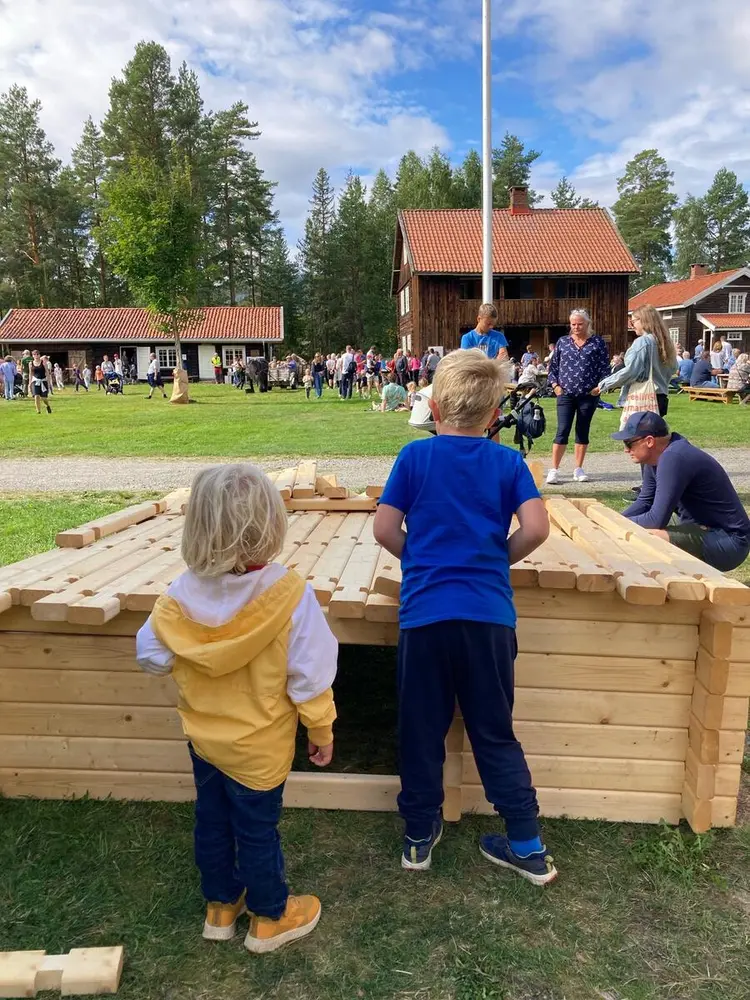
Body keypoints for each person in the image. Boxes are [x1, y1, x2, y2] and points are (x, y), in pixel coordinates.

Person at [373, 348, 557, 884]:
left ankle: (416, 839)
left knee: (421, 728)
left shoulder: (415, 457)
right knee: (494, 731)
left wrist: (423, 558)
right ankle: (526, 844)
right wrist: (498, 556)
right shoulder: (507, 462)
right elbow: (538, 528)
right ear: (495, 413)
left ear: (432, 404)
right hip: (488, 619)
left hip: (426, 617)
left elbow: (385, 530)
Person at [136, 464, 337, 952]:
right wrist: (321, 730)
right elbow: (310, 673)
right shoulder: (290, 595)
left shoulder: (179, 595)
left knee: (213, 820)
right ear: (270, 526)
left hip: (205, 742)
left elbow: (151, 654)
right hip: (260, 748)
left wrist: (192, 657)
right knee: (257, 831)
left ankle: (221, 906)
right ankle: (270, 917)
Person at [612, 412, 750, 572]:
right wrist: (612, 520)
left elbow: (656, 519)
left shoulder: (673, 458)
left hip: (730, 541)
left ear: (649, 441)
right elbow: (645, 501)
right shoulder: (656, 457)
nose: (625, 450)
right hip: (703, 529)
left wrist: (614, 525)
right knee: (633, 529)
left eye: (629, 443)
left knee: (645, 538)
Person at [546, 308, 610, 484]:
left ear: (587, 324)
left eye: (580, 324)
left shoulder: (597, 343)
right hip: (565, 394)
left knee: (582, 430)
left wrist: (600, 387)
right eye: (573, 324)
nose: (576, 327)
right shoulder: (563, 342)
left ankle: (578, 468)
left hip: (588, 394)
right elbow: (553, 367)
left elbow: (605, 368)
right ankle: (554, 469)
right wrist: (555, 386)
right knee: (562, 430)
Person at [599, 305, 677, 419]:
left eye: (633, 321)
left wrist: (602, 385)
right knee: (653, 435)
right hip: (661, 398)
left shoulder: (643, 342)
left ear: (644, 321)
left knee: (636, 436)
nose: (632, 325)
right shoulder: (666, 343)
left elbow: (631, 371)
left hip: (643, 398)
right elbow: (673, 368)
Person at [29, 350, 52, 414]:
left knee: (44, 398)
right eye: (34, 355)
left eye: (37, 354)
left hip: (43, 380)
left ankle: (47, 406)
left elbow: (47, 372)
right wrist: (29, 383)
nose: (36, 356)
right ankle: (38, 411)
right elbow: (30, 373)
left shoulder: (43, 363)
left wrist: (49, 382)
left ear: (39, 355)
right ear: (32, 356)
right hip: (35, 381)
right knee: (36, 396)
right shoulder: (31, 363)